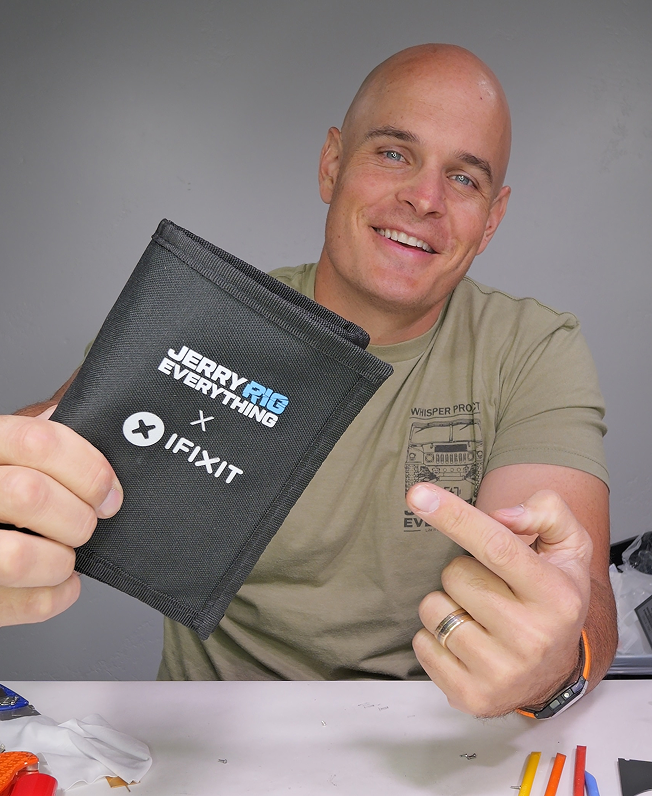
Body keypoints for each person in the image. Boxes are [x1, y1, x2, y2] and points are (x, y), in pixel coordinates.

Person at [0, 44, 616, 718]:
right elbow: (45, 453)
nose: (425, 198)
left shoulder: (530, 347)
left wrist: (558, 663)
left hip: (436, 732)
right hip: (212, 735)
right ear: (332, 164)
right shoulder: (208, 318)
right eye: (393, 153)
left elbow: (574, 589)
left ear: (491, 219)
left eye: (464, 179)